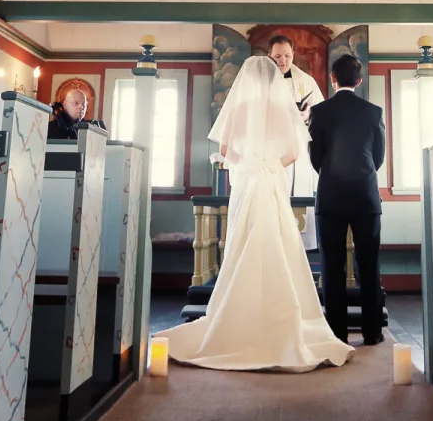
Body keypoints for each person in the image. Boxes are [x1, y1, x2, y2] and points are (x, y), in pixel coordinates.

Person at [164, 56, 352, 372]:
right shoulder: (283, 109)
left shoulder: (238, 109)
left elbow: (225, 151)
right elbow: (293, 153)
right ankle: (283, 320)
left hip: (248, 181)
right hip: (272, 181)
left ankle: (238, 317)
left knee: (242, 243)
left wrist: (248, 163)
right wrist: (270, 165)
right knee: (279, 244)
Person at [307, 54, 387, 346]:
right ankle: (372, 332)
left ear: (332, 78)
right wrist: (363, 175)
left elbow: (315, 157)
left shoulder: (319, 111)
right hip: (366, 195)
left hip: (331, 196)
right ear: (360, 81)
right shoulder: (374, 112)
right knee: (369, 264)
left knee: (332, 265)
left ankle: (338, 333)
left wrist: (331, 174)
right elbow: (378, 157)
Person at [267, 35, 325, 246]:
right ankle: (271, 240)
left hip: (297, 145)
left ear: (293, 54)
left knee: (296, 190)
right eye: (278, 56)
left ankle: (298, 244)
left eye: (287, 56)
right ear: (269, 55)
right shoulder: (260, 80)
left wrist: (307, 115)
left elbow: (319, 109)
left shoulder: (305, 81)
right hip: (271, 145)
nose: (283, 60)